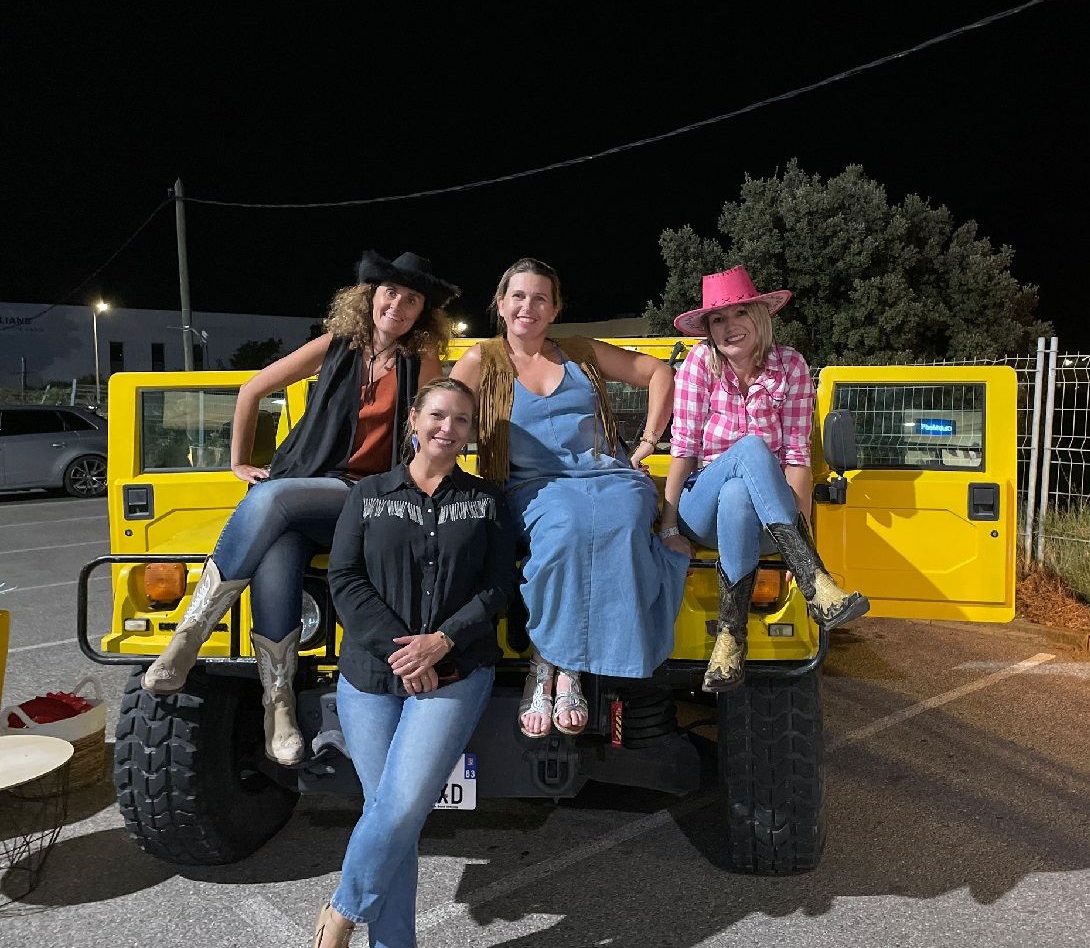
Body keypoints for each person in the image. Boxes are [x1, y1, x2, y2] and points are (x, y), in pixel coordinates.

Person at [140, 250, 459, 767]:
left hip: (370, 496)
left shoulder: (419, 360)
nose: (397, 305)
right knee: (278, 550)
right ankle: (278, 704)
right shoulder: (334, 346)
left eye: (412, 299)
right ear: (371, 296)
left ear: (423, 311)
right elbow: (251, 390)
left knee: (271, 496)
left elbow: (427, 430)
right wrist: (238, 460)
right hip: (305, 492)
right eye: (390, 293)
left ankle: (189, 635)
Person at [311, 377, 515, 948]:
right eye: (437, 416)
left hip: (454, 673)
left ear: (471, 434)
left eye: (460, 421)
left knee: (399, 808)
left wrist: (443, 642)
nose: (447, 428)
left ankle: (340, 915)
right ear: (414, 422)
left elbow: (499, 586)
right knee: (392, 819)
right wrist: (405, 651)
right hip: (372, 677)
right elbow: (344, 578)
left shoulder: (485, 499)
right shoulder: (369, 493)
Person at [450, 258, 689, 738]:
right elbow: (444, 410)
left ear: (555, 309)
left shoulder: (581, 352)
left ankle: (565, 664)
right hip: (532, 485)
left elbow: (660, 373)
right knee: (569, 527)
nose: (528, 306)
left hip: (611, 477)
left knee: (622, 524)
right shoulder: (482, 360)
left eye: (540, 298)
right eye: (518, 296)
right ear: (500, 305)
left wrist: (646, 442)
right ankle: (552, 663)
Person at [659, 265, 870, 692]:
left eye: (739, 315)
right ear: (709, 330)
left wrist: (802, 516)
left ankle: (730, 641)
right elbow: (682, 447)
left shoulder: (790, 365)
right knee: (751, 450)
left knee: (741, 490)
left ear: (759, 317)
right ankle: (814, 579)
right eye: (718, 320)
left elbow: (797, 456)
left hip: (764, 518)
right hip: (702, 510)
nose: (729, 327)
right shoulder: (700, 362)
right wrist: (667, 526)